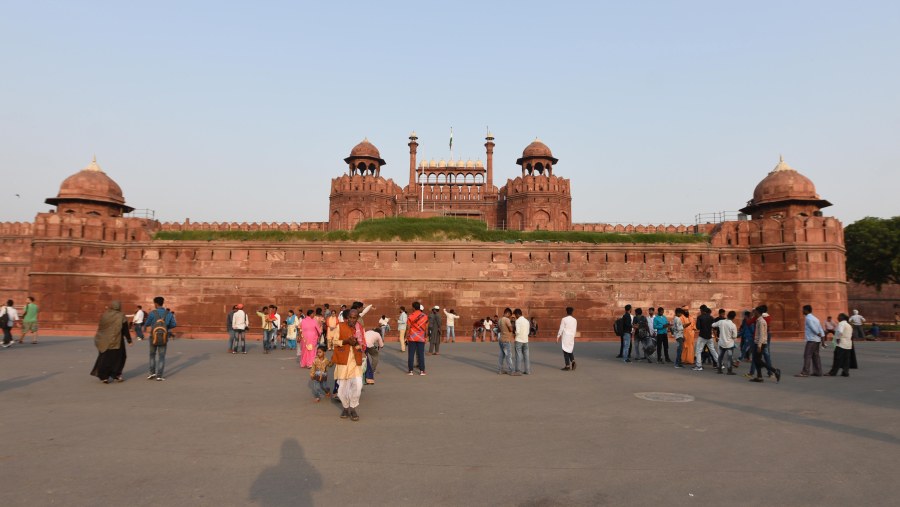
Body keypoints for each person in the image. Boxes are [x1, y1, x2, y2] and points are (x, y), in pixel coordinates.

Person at [333, 309, 365, 420]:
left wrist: (356, 343)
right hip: (343, 361)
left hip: (355, 361)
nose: (352, 319)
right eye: (350, 317)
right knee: (342, 390)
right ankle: (345, 408)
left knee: (358, 385)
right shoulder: (340, 326)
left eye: (354, 317)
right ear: (347, 318)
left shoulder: (359, 328)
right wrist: (346, 341)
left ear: (357, 318)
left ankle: (353, 408)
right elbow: (334, 341)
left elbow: (363, 344)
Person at [90, 300, 132, 383]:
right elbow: (125, 329)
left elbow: (101, 327)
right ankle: (116, 374)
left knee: (105, 358)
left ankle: (104, 376)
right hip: (117, 340)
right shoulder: (121, 316)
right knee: (120, 357)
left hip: (104, 340)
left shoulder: (105, 315)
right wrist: (129, 340)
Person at [143, 296, 176, 381]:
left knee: (152, 355)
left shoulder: (152, 313)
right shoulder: (168, 313)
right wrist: (166, 326)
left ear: (156, 304)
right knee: (161, 356)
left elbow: (147, 323)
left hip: (153, 337)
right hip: (164, 337)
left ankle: (152, 373)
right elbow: (174, 324)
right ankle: (159, 375)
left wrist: (150, 325)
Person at [750, 306, 781, 383]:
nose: (754, 313)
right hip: (758, 342)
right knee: (756, 360)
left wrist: (759, 345)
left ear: (758, 312)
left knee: (758, 360)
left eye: (755, 311)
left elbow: (762, 334)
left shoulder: (761, 321)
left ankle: (774, 370)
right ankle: (759, 376)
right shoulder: (759, 320)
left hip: (760, 343)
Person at [795, 305, 825, 377]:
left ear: (806, 310)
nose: (802, 311)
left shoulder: (808, 318)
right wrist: (822, 339)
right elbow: (820, 329)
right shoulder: (816, 318)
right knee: (815, 356)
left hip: (812, 340)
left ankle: (805, 372)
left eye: (803, 310)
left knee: (807, 355)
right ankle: (818, 371)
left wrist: (818, 334)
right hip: (817, 340)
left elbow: (813, 328)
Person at [692, 306, 718, 371]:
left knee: (698, 351)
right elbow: (714, 327)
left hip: (702, 336)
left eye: (700, 310)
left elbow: (698, 327)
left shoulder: (700, 317)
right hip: (709, 336)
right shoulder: (711, 317)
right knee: (713, 350)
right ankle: (720, 363)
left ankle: (699, 366)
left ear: (702, 310)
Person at [712, 310, 738, 375]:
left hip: (721, 342)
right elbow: (734, 336)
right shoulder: (733, 325)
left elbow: (713, 325)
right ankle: (729, 371)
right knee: (729, 358)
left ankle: (719, 369)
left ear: (727, 315)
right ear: (734, 317)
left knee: (720, 357)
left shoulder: (721, 322)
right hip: (729, 344)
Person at [406, 302, 428, 375]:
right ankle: (422, 371)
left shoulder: (410, 316)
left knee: (411, 354)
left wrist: (407, 336)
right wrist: (426, 337)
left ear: (413, 308)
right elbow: (426, 328)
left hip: (412, 337)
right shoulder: (425, 316)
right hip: (421, 337)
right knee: (421, 354)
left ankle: (410, 371)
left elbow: (408, 327)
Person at [514, 308, 530, 374]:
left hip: (519, 340)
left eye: (515, 315)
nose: (515, 316)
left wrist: (514, 333)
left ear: (517, 314)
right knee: (526, 356)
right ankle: (527, 370)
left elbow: (517, 331)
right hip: (525, 340)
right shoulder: (527, 321)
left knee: (518, 355)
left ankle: (518, 370)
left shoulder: (517, 321)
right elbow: (528, 332)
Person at [498, 308, 515, 374]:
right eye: (510, 315)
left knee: (501, 355)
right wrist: (512, 326)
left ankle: (500, 370)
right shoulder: (507, 319)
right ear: (507, 313)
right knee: (508, 355)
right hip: (506, 340)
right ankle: (511, 370)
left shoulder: (500, 320)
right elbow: (511, 329)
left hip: (501, 339)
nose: (510, 317)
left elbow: (499, 330)